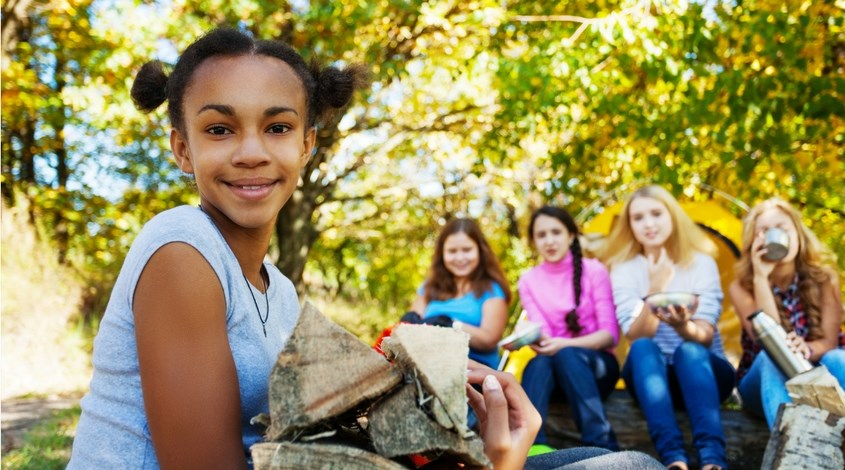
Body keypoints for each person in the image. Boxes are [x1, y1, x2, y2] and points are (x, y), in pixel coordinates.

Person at [66, 28, 540, 470]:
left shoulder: (283, 294)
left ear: (307, 144)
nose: (251, 151)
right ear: (182, 149)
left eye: (278, 128)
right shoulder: (180, 251)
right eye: (219, 129)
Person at [600, 185, 735, 470]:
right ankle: (673, 458)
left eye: (656, 214)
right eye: (638, 218)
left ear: (672, 216)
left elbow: (706, 336)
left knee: (689, 351)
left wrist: (683, 325)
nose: (649, 224)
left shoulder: (702, 263)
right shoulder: (623, 269)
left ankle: (713, 459)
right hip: (653, 380)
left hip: (706, 374)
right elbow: (635, 335)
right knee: (644, 348)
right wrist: (656, 287)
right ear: (630, 226)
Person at [729, 197, 845, 429]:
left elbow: (830, 341)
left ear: (798, 234)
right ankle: (789, 450)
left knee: (838, 358)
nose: (775, 236)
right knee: (771, 358)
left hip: (818, 373)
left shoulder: (824, 278)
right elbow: (767, 341)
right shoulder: (742, 286)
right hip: (765, 384)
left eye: (782, 229)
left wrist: (807, 349)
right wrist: (761, 278)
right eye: (764, 231)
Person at [517, 206, 620, 451]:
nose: (549, 241)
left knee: (566, 355)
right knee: (537, 363)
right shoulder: (528, 281)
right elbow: (545, 334)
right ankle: (533, 448)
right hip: (554, 372)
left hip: (598, 368)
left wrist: (565, 345)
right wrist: (532, 337)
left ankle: (601, 445)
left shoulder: (595, 271)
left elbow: (609, 335)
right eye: (541, 235)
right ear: (533, 241)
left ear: (571, 236)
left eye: (556, 232)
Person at [408, 218, 512, 369]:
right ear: (442, 253)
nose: (460, 258)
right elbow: (411, 325)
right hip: (427, 365)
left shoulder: (492, 290)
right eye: (452, 251)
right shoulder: (429, 287)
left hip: (473, 371)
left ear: (480, 250)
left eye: (467, 250)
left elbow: (488, 340)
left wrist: (452, 325)